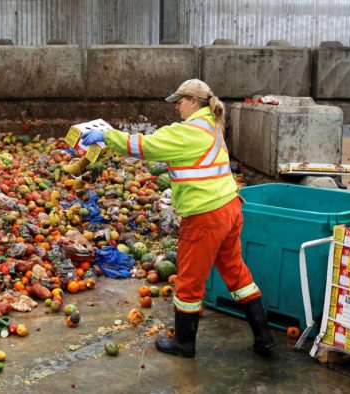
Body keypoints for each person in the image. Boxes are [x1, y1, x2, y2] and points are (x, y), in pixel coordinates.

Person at [80, 79, 275, 358]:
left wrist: (107, 136)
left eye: (180, 102)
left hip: (206, 215)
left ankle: (184, 343)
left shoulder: (190, 131)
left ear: (194, 102)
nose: (177, 108)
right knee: (236, 273)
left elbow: (146, 146)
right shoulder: (212, 125)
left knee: (188, 280)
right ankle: (263, 336)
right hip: (230, 208)